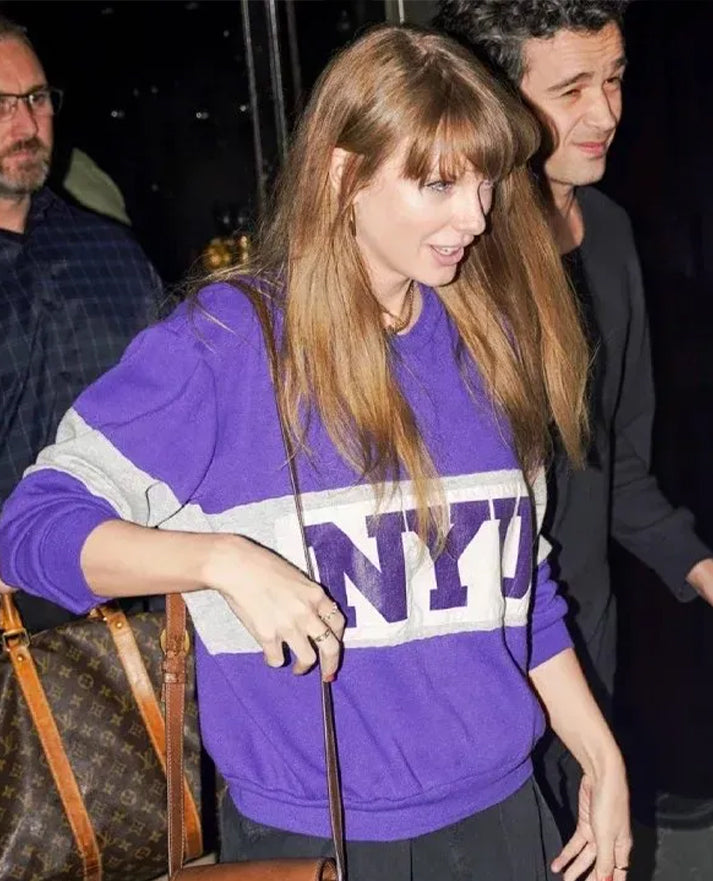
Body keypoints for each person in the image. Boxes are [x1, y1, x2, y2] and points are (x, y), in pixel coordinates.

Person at [0, 24, 631, 881]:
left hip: (505, 816)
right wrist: (220, 560)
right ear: (344, 175)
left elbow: (523, 588)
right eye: (438, 183)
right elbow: (30, 528)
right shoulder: (227, 346)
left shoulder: (490, 344)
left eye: (485, 181)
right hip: (314, 834)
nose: (474, 217)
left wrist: (597, 752)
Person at [435, 0, 713, 836]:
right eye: (570, 90)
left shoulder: (610, 233)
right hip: (473, 653)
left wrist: (699, 565)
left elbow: (607, 460)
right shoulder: (457, 254)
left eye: (614, 80)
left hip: (585, 631)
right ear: (492, 100)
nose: (604, 114)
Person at [0, 16, 161, 630]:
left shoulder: (112, 256)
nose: (26, 124)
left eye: (37, 98)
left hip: (128, 621)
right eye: (2, 105)